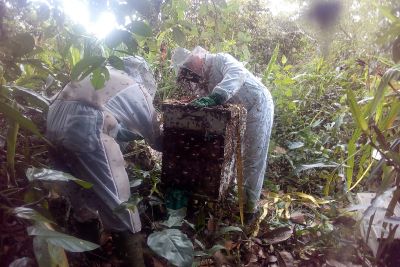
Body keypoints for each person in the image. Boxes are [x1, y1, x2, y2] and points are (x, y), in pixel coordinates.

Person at [46, 56, 162, 265]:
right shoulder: (134, 87)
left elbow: (98, 110)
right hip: (84, 133)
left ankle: (91, 255)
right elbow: (156, 136)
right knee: (119, 202)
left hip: (53, 126)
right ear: (143, 77)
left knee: (80, 197)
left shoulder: (99, 73)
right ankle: (133, 260)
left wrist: (125, 133)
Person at [172, 46, 274, 221]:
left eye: (188, 68)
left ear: (196, 59)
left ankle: (249, 208)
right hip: (235, 113)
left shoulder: (220, 59)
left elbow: (237, 73)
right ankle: (232, 193)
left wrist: (216, 96)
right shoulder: (202, 79)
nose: (189, 75)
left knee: (253, 156)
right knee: (230, 154)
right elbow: (202, 101)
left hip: (257, 106)